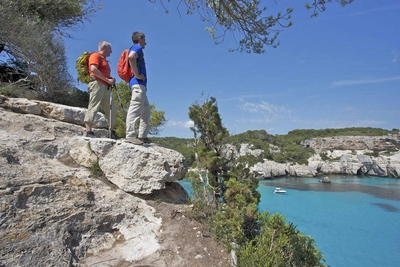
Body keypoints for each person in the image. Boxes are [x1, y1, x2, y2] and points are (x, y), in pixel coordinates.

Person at [84, 40, 119, 139]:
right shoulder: (95, 55)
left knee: (112, 109)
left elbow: (101, 72)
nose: (111, 51)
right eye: (110, 49)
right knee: (93, 106)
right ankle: (89, 131)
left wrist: (109, 79)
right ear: (104, 47)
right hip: (97, 84)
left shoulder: (104, 59)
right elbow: (93, 69)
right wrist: (107, 80)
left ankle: (111, 131)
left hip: (105, 86)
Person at [125, 31, 151, 145]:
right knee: (135, 108)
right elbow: (131, 57)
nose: (146, 42)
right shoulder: (137, 47)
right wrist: (136, 74)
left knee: (146, 110)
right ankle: (130, 135)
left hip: (140, 86)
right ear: (140, 38)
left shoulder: (137, 47)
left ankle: (142, 136)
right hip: (138, 84)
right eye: (144, 39)